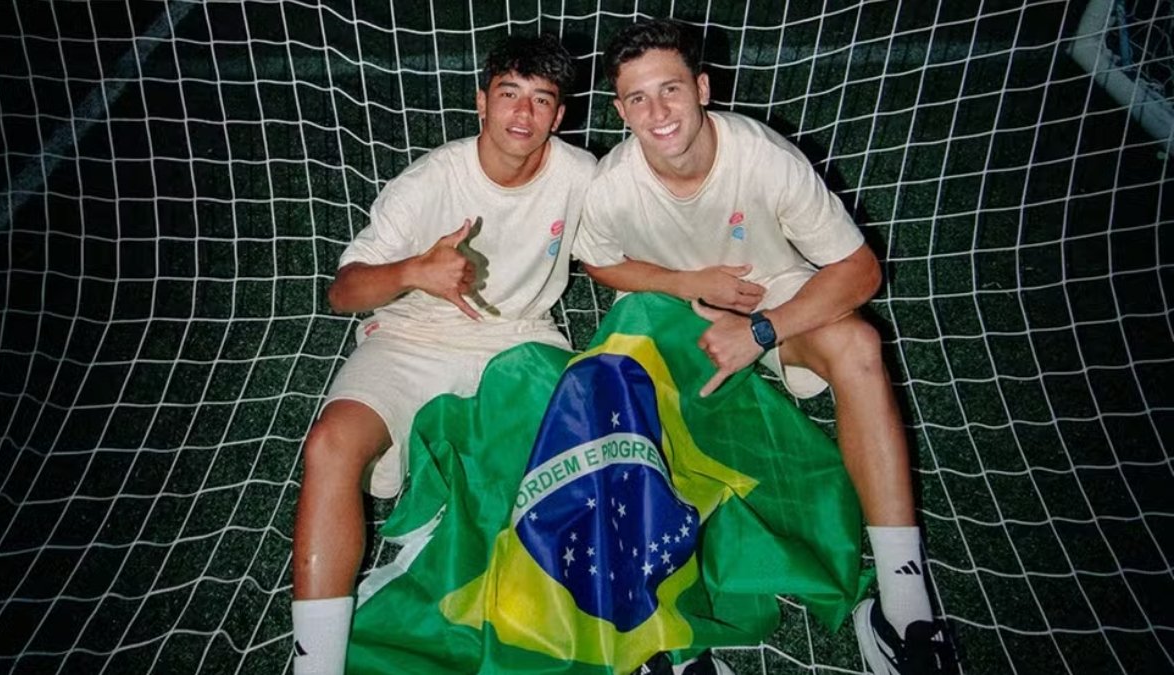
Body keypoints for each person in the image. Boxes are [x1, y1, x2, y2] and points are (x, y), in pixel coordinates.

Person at [575, 19, 953, 675]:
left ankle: (904, 607)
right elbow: (601, 264)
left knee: (859, 344)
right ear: (619, 109)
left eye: (670, 89)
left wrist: (761, 330)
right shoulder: (611, 184)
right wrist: (684, 282)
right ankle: (661, 638)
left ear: (702, 85)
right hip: (677, 317)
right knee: (612, 388)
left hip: (773, 298)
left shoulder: (764, 158)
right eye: (637, 98)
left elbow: (860, 270)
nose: (657, 113)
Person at [291, 33, 596, 674]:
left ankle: (640, 639)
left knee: (590, 457)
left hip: (520, 339)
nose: (523, 114)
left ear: (558, 115)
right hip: (411, 338)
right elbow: (344, 291)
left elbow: (625, 242)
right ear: (481, 101)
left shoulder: (579, 176)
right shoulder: (433, 179)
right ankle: (315, 662)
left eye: (542, 101)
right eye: (509, 95)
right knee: (329, 445)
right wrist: (414, 271)